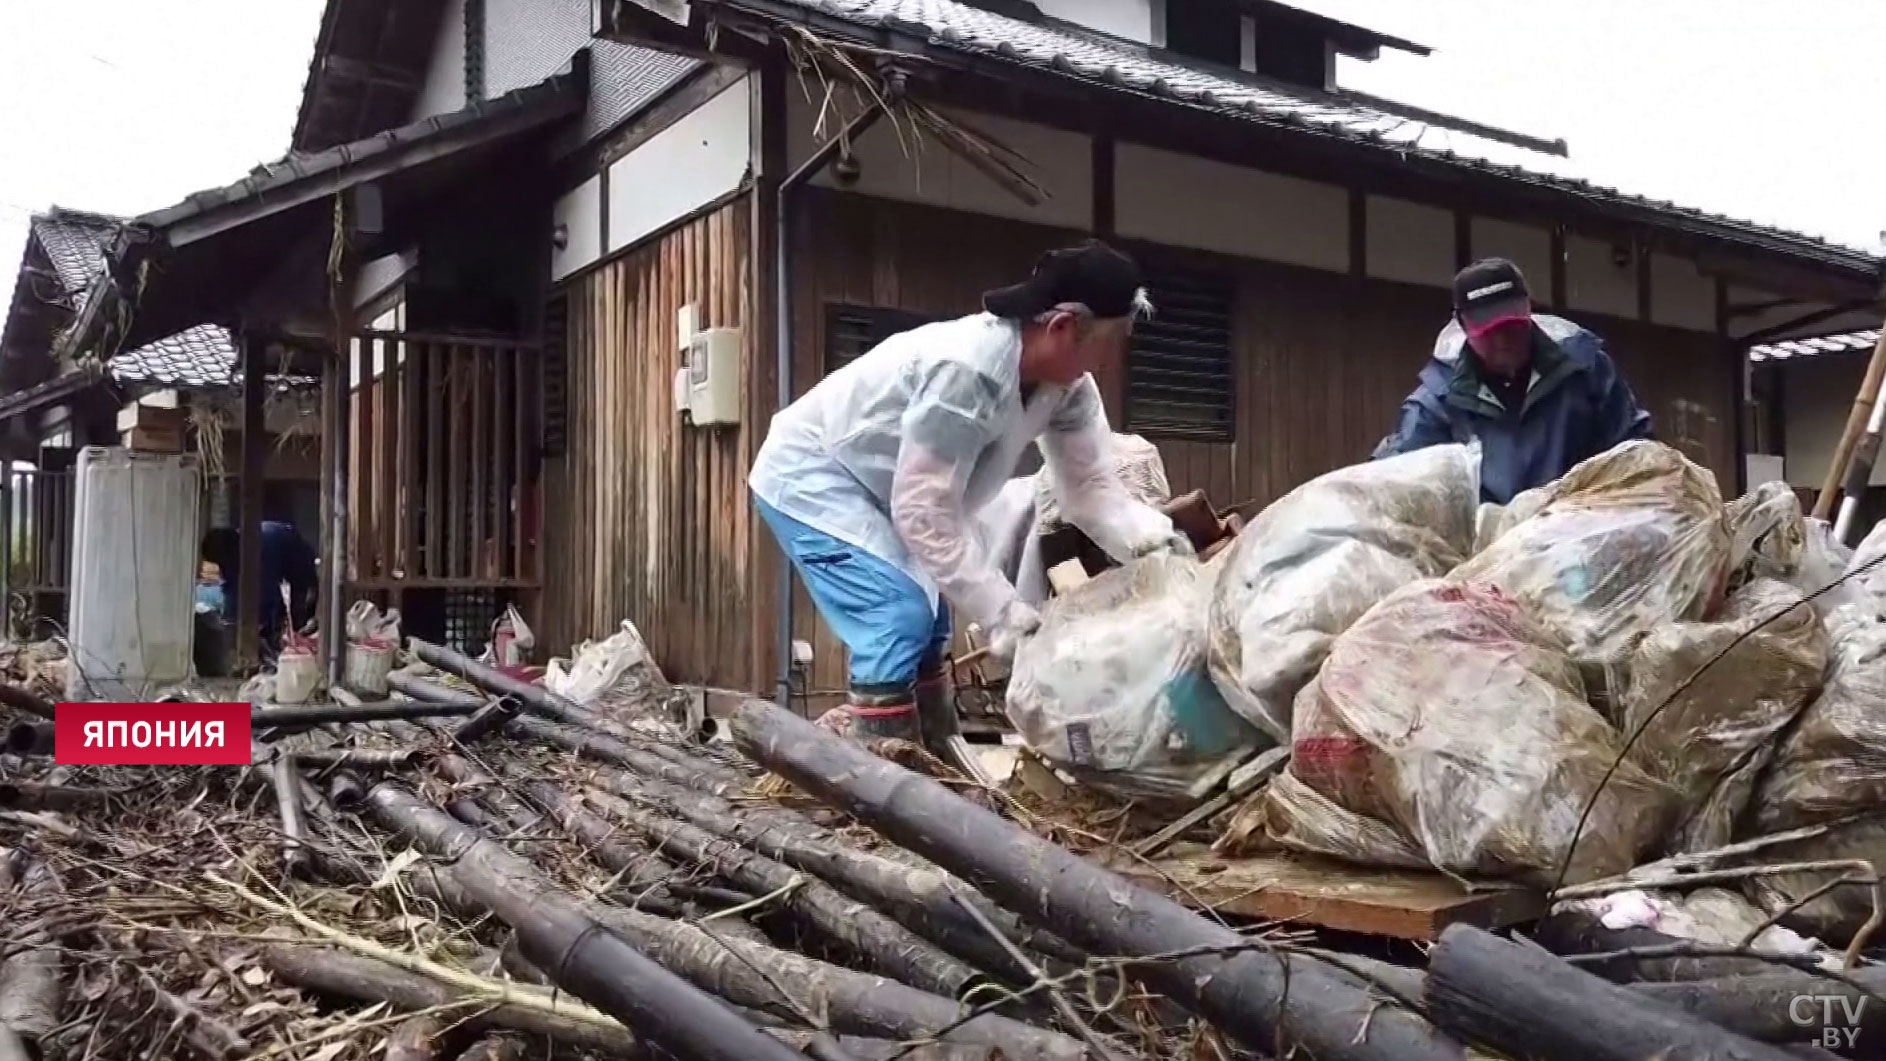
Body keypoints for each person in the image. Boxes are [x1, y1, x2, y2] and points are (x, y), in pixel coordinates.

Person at [749, 240, 1189, 750]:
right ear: (1063, 327)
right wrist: (1004, 612)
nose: (1112, 362)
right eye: (1111, 342)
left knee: (932, 623)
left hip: (886, 486)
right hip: (814, 474)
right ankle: (881, 784)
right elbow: (923, 510)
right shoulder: (967, 372)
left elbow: (1091, 491)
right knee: (897, 616)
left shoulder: (1069, 388)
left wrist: (1159, 547)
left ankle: (940, 767)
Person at [1375, 258, 1653, 504]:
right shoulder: (1439, 399)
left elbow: (1635, 449)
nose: (1502, 339)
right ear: (1463, 325)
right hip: (1489, 549)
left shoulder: (1585, 369)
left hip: (1580, 535)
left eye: (1511, 326)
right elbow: (1394, 475)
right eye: (1489, 331)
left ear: (1528, 309)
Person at [200, 521, 319, 656]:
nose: (221, 566)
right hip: (277, 548)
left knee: (295, 610)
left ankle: (291, 645)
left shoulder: (260, 550)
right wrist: (229, 619)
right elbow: (232, 587)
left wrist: (260, 627)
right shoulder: (229, 553)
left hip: (297, 558)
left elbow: (269, 593)